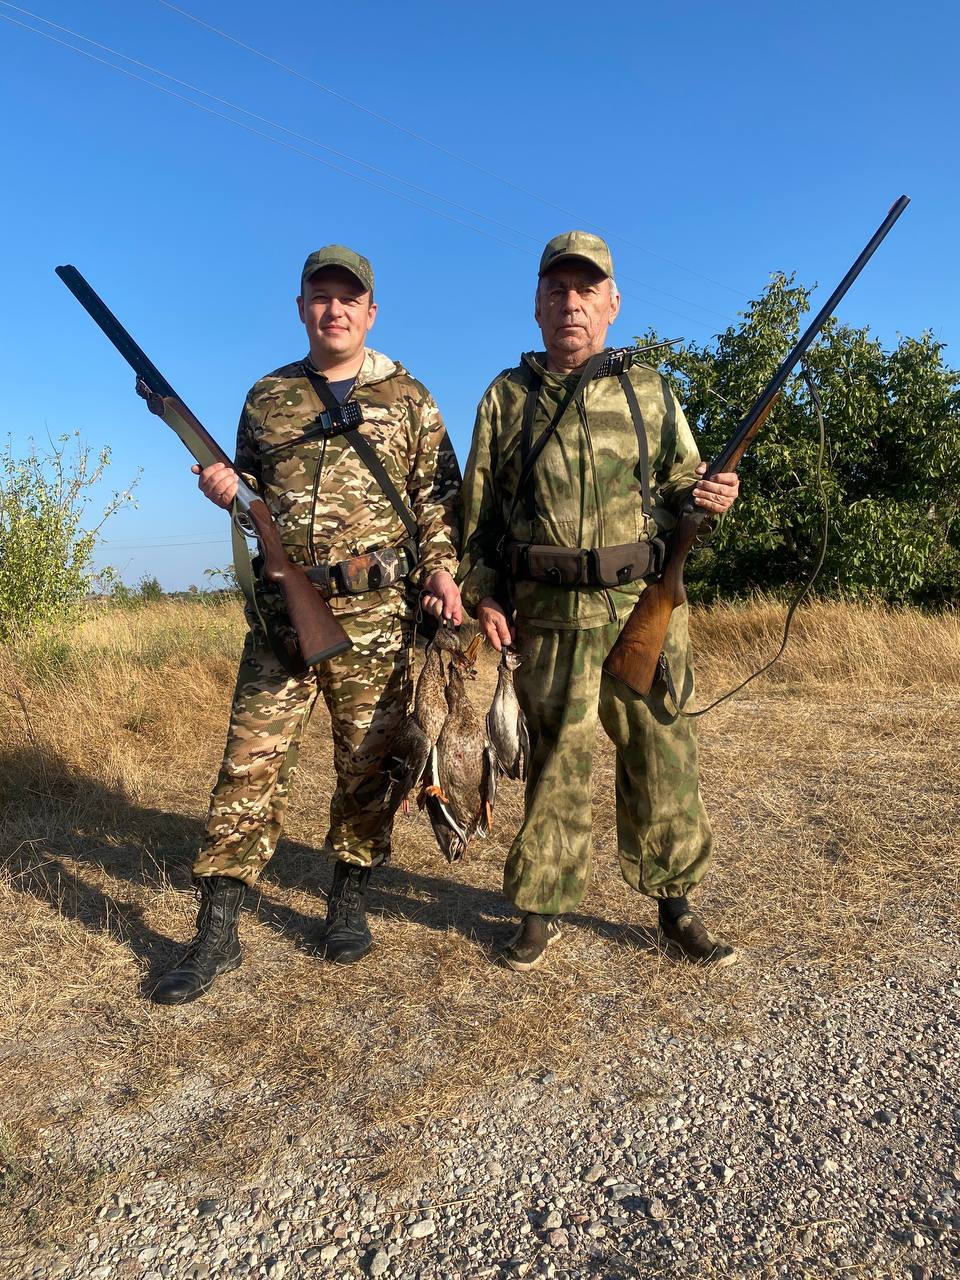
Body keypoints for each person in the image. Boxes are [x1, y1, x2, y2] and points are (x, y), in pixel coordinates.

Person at [153, 245, 462, 1004]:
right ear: (300, 309)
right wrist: (227, 489)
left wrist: (442, 572)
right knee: (247, 764)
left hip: (379, 614)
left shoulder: (411, 397)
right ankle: (217, 930)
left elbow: (437, 501)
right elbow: (252, 500)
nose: (335, 310)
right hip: (284, 617)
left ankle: (348, 901)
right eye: (320, 297)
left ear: (371, 312)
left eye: (349, 299)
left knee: (367, 763)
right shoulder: (267, 396)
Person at [458, 230, 740, 972]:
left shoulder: (650, 391)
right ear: (537, 305)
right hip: (548, 614)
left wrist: (711, 497)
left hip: (641, 607)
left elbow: (683, 487)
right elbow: (477, 523)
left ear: (613, 304)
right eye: (557, 289)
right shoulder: (506, 398)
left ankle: (676, 907)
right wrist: (485, 596)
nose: (571, 303)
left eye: (587, 290)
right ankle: (541, 908)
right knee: (555, 763)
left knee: (662, 755)